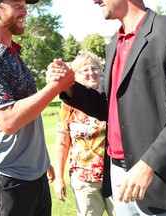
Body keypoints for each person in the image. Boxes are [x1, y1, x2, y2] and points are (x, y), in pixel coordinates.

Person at [47, 0, 166, 215]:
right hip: (118, 176)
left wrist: (149, 165)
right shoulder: (114, 43)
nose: (94, 1)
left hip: (158, 176)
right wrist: (69, 86)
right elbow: (104, 104)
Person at [0, 0, 74, 215]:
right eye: (17, 4)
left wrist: (41, 160)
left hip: (34, 176)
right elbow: (8, 121)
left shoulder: (11, 53)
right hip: (6, 181)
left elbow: (28, 112)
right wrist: (54, 88)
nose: (25, 11)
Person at [54, 51, 115, 216]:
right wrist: (59, 178)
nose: (91, 73)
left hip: (115, 175)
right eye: (85, 70)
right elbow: (62, 142)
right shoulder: (69, 106)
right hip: (85, 180)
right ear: (75, 76)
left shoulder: (112, 99)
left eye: (95, 68)